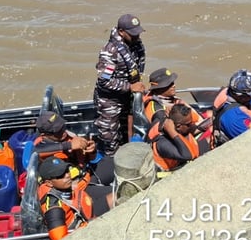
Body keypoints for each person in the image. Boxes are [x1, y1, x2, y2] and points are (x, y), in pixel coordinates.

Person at [93, 13, 146, 156]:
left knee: (126, 132)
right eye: (133, 34)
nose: (137, 36)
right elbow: (104, 81)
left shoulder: (135, 45)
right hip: (110, 101)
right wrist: (130, 87)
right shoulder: (110, 53)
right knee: (110, 137)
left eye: (138, 33)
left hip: (127, 97)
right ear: (121, 32)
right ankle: (111, 159)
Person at [37, 156, 112, 240]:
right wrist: (86, 228)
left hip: (87, 212)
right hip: (84, 229)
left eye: (66, 170)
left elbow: (78, 186)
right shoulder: (54, 208)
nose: (67, 175)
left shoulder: (61, 186)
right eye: (60, 175)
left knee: (117, 195)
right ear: (49, 183)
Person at [33, 110, 114, 186]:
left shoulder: (68, 136)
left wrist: (92, 150)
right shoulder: (41, 148)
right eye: (58, 131)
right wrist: (69, 145)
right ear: (44, 135)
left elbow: (90, 158)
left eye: (63, 126)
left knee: (117, 164)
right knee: (113, 193)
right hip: (75, 186)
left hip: (87, 171)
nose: (63, 132)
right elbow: (36, 152)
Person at [143, 66, 211, 136]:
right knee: (212, 128)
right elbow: (176, 132)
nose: (174, 85)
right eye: (169, 84)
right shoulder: (157, 110)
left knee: (210, 113)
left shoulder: (170, 99)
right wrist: (205, 125)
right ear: (158, 88)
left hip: (191, 123)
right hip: (184, 134)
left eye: (173, 82)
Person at [147, 104, 210, 172]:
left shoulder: (162, 120)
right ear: (178, 126)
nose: (192, 125)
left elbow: (158, 113)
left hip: (187, 150)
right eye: (188, 124)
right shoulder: (162, 143)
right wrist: (172, 131)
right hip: (173, 170)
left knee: (212, 132)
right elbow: (188, 155)